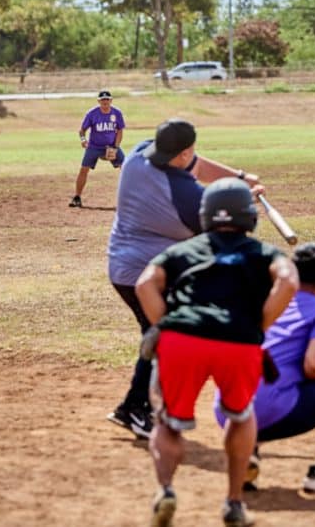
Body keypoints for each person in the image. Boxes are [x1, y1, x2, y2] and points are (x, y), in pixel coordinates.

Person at [135, 177, 298, 527]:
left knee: (168, 422)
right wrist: (260, 327)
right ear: (248, 217)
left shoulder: (182, 250)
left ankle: (165, 490)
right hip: (238, 343)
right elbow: (289, 280)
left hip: (183, 341)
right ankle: (234, 503)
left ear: (206, 215)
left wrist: (163, 326)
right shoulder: (263, 252)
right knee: (240, 416)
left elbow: (145, 282)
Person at [106, 118, 264, 440]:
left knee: (160, 333)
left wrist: (238, 179)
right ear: (182, 152)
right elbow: (226, 230)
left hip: (125, 266)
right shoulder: (184, 196)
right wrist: (245, 202)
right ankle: (136, 408)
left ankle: (134, 406)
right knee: (163, 335)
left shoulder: (139, 154)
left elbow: (197, 165)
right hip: (146, 274)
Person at [215, 242, 315, 493]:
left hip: (226, 411)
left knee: (267, 375)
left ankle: (247, 449)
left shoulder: (263, 304)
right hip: (270, 411)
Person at [69, 90, 126, 208]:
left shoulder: (117, 113)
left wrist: (115, 146)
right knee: (84, 169)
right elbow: (82, 130)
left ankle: (133, 199)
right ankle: (77, 197)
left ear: (111, 100)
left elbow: (120, 130)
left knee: (126, 168)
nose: (105, 102)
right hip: (94, 146)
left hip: (111, 146)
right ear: (98, 101)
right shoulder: (92, 114)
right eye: (102, 100)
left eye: (107, 99)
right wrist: (83, 140)